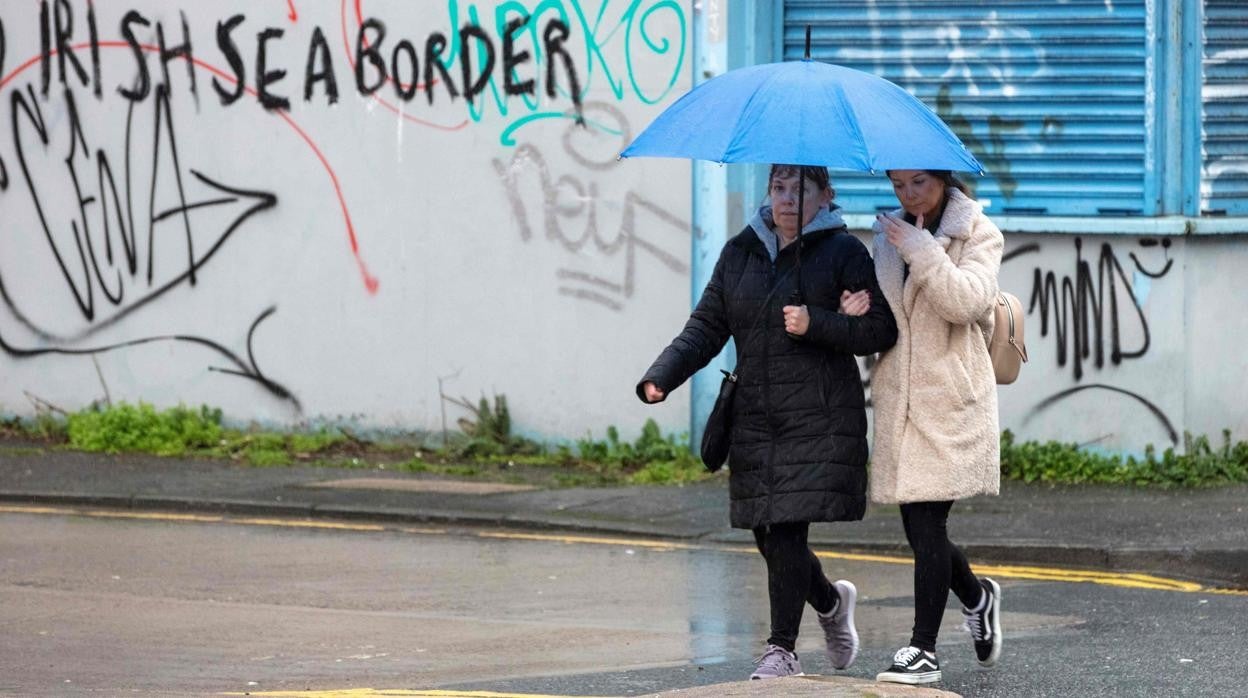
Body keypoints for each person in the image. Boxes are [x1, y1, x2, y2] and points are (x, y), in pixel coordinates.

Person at [636, 164, 897, 680]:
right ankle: (827, 601)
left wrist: (818, 321)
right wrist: (662, 376)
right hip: (754, 416)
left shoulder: (844, 253)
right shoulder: (740, 252)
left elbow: (880, 329)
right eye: (779, 188)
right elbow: (707, 326)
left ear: (826, 196)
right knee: (765, 532)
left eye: (800, 190)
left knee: (784, 533)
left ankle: (782, 650)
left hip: (817, 416)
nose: (786, 200)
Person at [840, 169, 1005, 685]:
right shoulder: (889, 236)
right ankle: (978, 598)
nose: (908, 195)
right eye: (898, 186)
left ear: (943, 179)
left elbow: (967, 302)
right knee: (919, 527)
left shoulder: (977, 231)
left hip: (952, 400)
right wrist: (854, 311)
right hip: (901, 401)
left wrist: (921, 249)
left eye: (918, 183)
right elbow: (885, 324)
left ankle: (923, 650)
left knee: (928, 524)